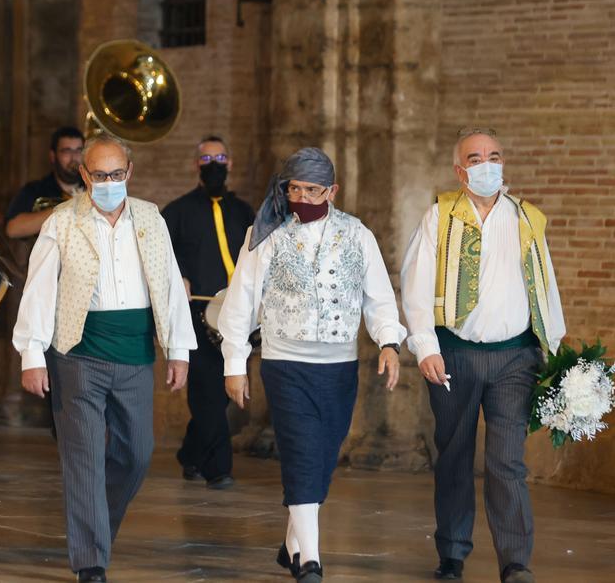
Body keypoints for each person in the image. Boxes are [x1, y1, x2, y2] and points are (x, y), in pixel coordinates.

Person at [12, 132, 196, 583]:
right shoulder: (62, 220)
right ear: (84, 174)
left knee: (138, 454)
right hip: (77, 352)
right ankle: (90, 559)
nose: (109, 181)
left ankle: (94, 528)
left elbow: (170, 284)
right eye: (99, 175)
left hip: (134, 353)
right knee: (84, 458)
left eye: (116, 174)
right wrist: (31, 354)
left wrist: (179, 348)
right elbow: (39, 288)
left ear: (129, 173)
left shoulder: (151, 219)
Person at [219, 148, 406, 583]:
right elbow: (241, 300)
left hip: (338, 366)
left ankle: (291, 544)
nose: (301, 195)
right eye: (294, 187)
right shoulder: (266, 233)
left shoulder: (357, 235)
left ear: (332, 191)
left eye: (312, 189)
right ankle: (310, 561)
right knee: (301, 452)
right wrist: (234, 361)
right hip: (285, 363)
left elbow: (377, 295)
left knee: (322, 457)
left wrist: (389, 343)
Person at [400, 128, 565, 583]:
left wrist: (554, 350)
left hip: (516, 358)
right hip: (455, 355)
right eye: (475, 158)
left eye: (494, 155)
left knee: (507, 460)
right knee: (454, 454)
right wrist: (426, 347)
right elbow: (415, 284)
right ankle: (452, 552)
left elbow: (545, 284)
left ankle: (515, 561)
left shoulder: (526, 218)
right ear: (460, 170)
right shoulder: (440, 216)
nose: (487, 164)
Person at [161, 136, 253, 489]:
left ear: (230, 163)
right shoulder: (177, 211)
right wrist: (178, 277)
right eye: (205, 157)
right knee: (207, 392)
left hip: (237, 319)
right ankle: (219, 469)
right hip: (197, 318)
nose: (213, 163)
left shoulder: (245, 212)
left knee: (218, 395)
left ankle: (190, 454)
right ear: (195, 165)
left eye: (220, 156)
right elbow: (161, 258)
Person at [5, 126, 85, 239]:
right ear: (53, 156)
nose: (74, 158)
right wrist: (67, 207)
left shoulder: (94, 189)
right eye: (67, 151)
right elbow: (12, 229)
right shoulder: (35, 189)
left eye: (79, 150)